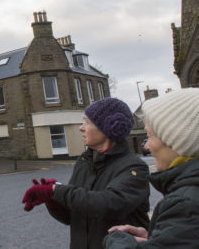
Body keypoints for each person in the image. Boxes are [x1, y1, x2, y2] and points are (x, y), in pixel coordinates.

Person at [22, 97, 150, 249]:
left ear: (108, 127)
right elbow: (72, 216)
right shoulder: (84, 162)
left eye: (88, 122)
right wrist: (53, 201)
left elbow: (107, 204)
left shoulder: (134, 167)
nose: (81, 127)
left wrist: (56, 190)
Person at [104, 88, 199, 248]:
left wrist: (118, 242)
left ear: (178, 139)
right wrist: (159, 237)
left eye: (151, 136)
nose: (147, 145)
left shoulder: (185, 205)